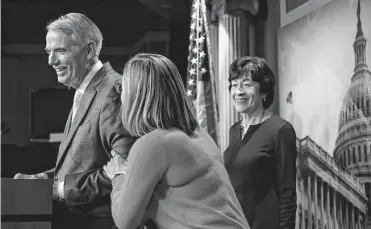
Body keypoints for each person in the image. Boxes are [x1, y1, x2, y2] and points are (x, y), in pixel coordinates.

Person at [14, 13, 135, 229]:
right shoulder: (84, 89)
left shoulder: (114, 92)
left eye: (60, 51)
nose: (51, 61)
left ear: (89, 50)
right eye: (48, 52)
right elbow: (86, 162)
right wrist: (45, 179)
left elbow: (123, 169)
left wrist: (59, 190)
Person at [102, 53, 250, 229]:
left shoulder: (154, 144)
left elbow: (124, 222)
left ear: (136, 95)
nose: (121, 96)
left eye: (124, 89)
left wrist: (118, 174)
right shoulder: (199, 134)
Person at [223, 56, 297, 229]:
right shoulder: (234, 130)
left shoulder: (280, 130)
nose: (238, 91)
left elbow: (288, 194)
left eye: (247, 85)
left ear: (263, 92)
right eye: (234, 85)